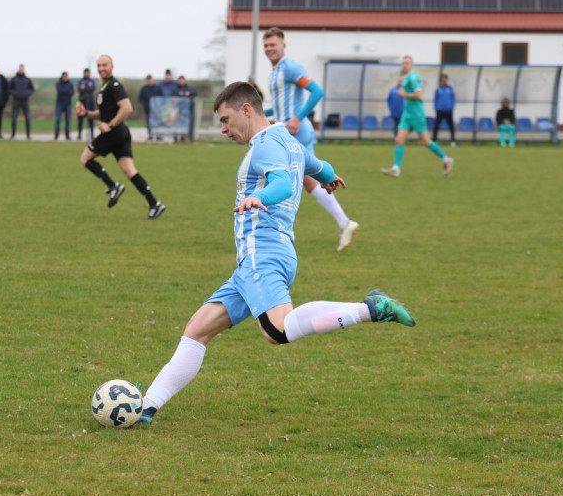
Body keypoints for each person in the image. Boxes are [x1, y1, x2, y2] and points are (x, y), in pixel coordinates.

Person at [135, 82, 415, 425]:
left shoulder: (265, 143)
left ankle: (370, 309)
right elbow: (317, 165)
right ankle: (146, 407)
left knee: (277, 331)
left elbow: (281, 183)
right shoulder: (287, 140)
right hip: (263, 257)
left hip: (262, 252)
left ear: (247, 110)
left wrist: (260, 197)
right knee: (197, 330)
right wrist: (329, 178)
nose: (223, 129)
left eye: (225, 119)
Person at [264, 27, 359, 252]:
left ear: (283, 46)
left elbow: (317, 91)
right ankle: (344, 222)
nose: (269, 49)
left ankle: (279, 234)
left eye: (273, 44)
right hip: (288, 130)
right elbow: (278, 107)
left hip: (296, 131)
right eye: (266, 45)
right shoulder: (275, 71)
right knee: (309, 181)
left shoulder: (290, 67)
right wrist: (256, 114)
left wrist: (297, 118)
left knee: (280, 178)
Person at [75, 54, 165, 220]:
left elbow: (127, 108)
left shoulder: (114, 86)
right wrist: (86, 113)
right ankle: (155, 204)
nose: (102, 68)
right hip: (121, 133)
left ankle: (113, 186)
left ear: (112, 66)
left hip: (113, 133)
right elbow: (104, 114)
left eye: (105, 65)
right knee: (130, 171)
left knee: (85, 158)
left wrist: (109, 125)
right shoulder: (105, 87)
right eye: (99, 65)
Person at [381, 55, 454, 178]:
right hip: (407, 114)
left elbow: (419, 94)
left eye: (407, 63)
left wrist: (404, 94)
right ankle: (396, 168)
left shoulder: (414, 77)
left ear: (412, 65)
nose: (404, 65)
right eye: (403, 63)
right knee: (399, 139)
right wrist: (400, 87)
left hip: (416, 114)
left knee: (425, 141)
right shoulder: (405, 77)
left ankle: (446, 159)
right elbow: (403, 92)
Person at [9, 64, 35, 139]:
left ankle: (28, 135)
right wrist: (15, 93)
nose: (21, 70)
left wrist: (27, 94)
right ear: (18, 69)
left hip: (25, 101)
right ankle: (13, 134)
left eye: (22, 69)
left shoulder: (27, 79)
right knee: (14, 118)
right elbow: (9, 89)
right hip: (16, 100)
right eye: (20, 69)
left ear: (24, 70)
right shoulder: (14, 79)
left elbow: (32, 89)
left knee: (27, 118)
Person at [432, 73, 457, 146]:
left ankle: (453, 141)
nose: (444, 80)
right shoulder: (438, 89)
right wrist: (436, 107)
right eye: (442, 79)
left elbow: (453, 99)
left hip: (448, 110)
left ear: (447, 79)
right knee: (436, 125)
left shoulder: (450, 89)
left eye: (445, 79)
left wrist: (452, 107)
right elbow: (435, 99)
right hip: (440, 110)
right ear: (441, 80)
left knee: (451, 126)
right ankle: (434, 140)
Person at [173, 75, 197, 143]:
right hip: (177, 111)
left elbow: (195, 93)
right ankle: (176, 138)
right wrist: (178, 94)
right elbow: (172, 95)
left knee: (187, 125)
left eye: (183, 80)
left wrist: (189, 93)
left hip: (187, 112)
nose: (181, 82)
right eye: (180, 80)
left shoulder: (188, 88)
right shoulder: (175, 88)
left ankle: (186, 138)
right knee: (177, 125)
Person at [138, 74, 161, 140]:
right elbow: (140, 98)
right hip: (147, 109)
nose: (149, 81)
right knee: (148, 123)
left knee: (157, 123)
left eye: (150, 80)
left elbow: (161, 97)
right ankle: (150, 135)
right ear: (146, 81)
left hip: (156, 110)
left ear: (152, 80)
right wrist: (145, 104)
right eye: (148, 80)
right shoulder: (144, 89)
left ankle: (158, 135)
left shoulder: (157, 88)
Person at [54, 71, 75, 140]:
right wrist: (67, 91)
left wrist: (65, 91)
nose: (65, 78)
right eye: (64, 77)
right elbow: (60, 90)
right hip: (59, 104)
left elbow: (72, 92)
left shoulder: (70, 84)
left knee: (68, 121)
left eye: (66, 76)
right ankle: (56, 135)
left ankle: (67, 135)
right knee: (58, 120)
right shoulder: (58, 83)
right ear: (62, 77)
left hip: (68, 104)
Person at [76, 68, 96, 140]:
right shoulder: (80, 81)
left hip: (90, 101)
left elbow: (93, 88)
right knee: (80, 119)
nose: (87, 74)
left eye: (88, 73)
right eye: (86, 73)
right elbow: (79, 89)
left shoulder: (92, 80)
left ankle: (92, 134)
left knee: (91, 118)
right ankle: (79, 134)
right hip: (81, 102)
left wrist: (85, 87)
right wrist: (86, 87)